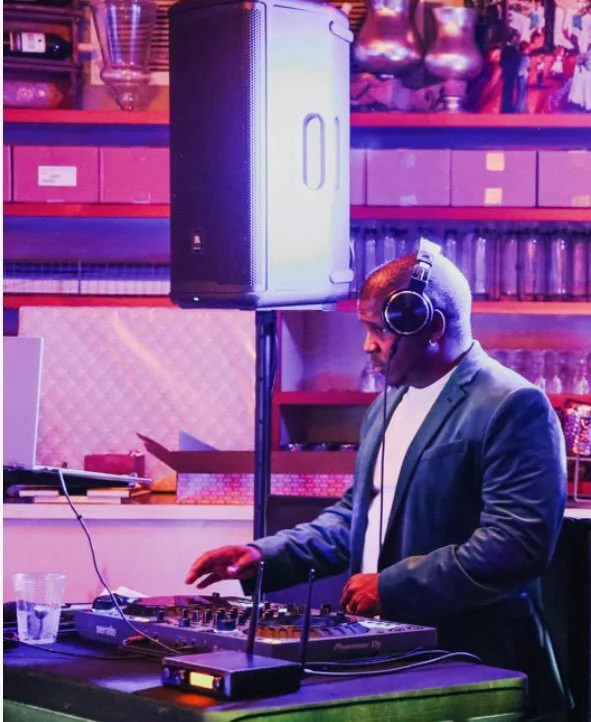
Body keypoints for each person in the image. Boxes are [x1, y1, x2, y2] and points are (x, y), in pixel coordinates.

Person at [185, 246, 570, 721]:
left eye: (377, 330)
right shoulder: (387, 403)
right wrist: (266, 555)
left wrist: (392, 586)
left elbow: (517, 545)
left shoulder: (513, 404)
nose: (368, 346)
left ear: (428, 326)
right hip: (392, 653)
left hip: (476, 663)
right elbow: (356, 517)